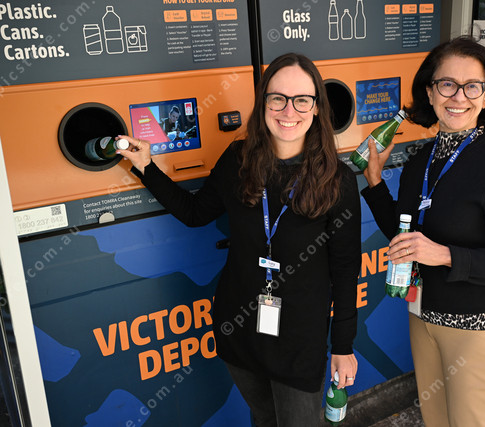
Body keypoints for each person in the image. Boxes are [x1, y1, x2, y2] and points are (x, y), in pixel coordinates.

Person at [118, 52, 360, 426]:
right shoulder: (238, 159)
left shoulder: (337, 180)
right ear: (263, 103)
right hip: (241, 328)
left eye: (302, 100)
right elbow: (195, 213)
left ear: (316, 108)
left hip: (299, 340)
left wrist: (343, 347)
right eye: (277, 98)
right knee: (263, 419)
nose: (289, 111)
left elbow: (345, 271)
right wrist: (147, 167)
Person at [361, 36, 485, 426]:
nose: (458, 97)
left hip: (473, 328)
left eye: (472, 86)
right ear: (430, 91)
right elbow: (403, 236)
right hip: (422, 317)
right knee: (435, 420)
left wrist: (443, 255)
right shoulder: (420, 159)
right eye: (447, 84)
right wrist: (374, 181)